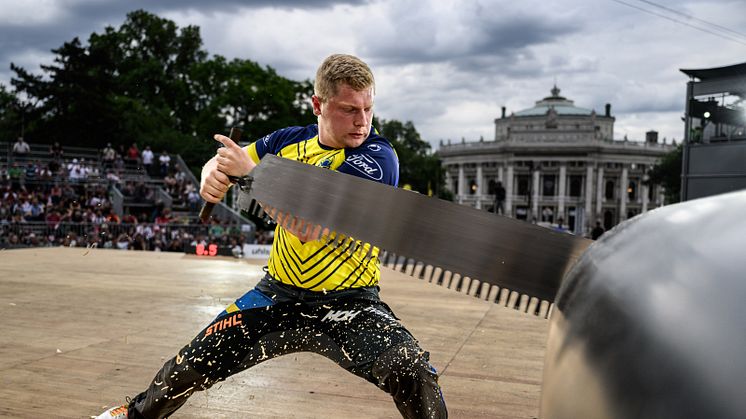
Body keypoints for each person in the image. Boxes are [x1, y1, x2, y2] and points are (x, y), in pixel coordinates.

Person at [96, 54, 447, 419]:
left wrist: (251, 176)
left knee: (412, 370)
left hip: (349, 302)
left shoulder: (377, 158)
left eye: (368, 109)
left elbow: (308, 227)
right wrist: (211, 174)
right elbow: (226, 158)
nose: (362, 122)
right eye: (349, 110)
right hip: (276, 294)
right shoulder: (288, 141)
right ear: (318, 105)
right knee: (188, 366)